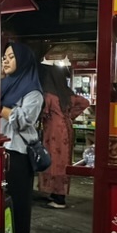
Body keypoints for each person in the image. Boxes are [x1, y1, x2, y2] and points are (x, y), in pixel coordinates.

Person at [0, 41, 43, 233]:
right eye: (4, 57)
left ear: (23, 61)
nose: (5, 61)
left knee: (18, 201)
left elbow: (24, 121)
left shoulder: (33, 92)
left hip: (18, 153)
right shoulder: (3, 85)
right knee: (0, 200)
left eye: (11, 57)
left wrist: (0, 108)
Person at [37, 64, 91, 208]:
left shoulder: (48, 95)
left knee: (53, 161)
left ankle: (58, 198)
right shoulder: (66, 93)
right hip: (67, 128)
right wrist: (70, 116)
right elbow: (85, 102)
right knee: (63, 161)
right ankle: (57, 193)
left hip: (53, 130)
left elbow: (41, 113)